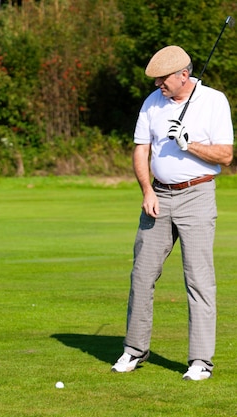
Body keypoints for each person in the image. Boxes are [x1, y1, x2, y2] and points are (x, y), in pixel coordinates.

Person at [111, 45, 234, 380]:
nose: (157, 86)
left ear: (184, 75)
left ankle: (200, 362)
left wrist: (188, 143)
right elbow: (141, 149)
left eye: (162, 79)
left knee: (198, 280)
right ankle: (134, 350)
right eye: (155, 80)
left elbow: (225, 156)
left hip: (197, 195)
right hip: (159, 196)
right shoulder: (153, 103)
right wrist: (147, 190)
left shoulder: (214, 101)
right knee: (141, 275)